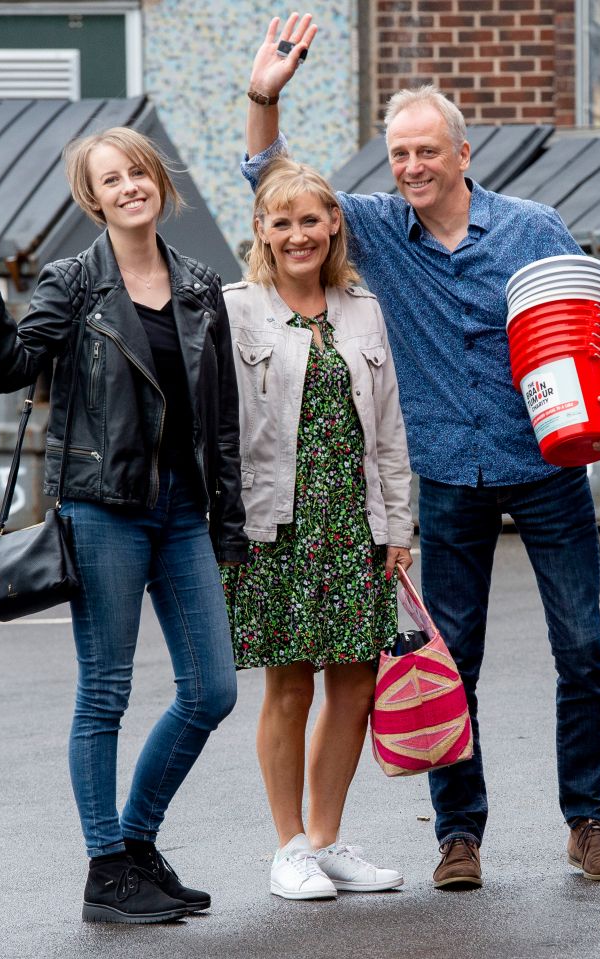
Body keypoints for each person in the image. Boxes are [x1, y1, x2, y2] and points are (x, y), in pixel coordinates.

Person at [241, 13, 600, 890]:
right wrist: (262, 97)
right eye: (398, 154)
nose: (412, 168)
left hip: (545, 461)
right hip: (444, 473)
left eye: (427, 151)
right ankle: (457, 834)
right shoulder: (374, 231)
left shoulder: (529, 226)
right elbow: (272, 184)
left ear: (463, 153)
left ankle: (589, 821)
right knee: (449, 658)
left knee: (580, 645)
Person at [0, 127, 247, 923]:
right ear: (93, 197)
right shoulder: (73, 281)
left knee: (211, 690)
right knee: (104, 692)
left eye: (136, 171)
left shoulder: (200, 285)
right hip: (101, 504)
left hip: (183, 511)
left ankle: (137, 842)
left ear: (157, 181)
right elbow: (9, 368)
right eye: (110, 179)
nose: (127, 187)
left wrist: (231, 526)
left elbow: (221, 421)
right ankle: (105, 870)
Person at [222, 156, 414, 899]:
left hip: (356, 520)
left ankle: (328, 840)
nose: (298, 234)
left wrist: (399, 526)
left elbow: (390, 430)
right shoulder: (237, 308)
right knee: (289, 682)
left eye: (311, 219)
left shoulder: (361, 308)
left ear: (333, 223)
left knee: (357, 681)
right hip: (279, 522)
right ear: (261, 231)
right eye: (283, 222)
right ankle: (287, 846)